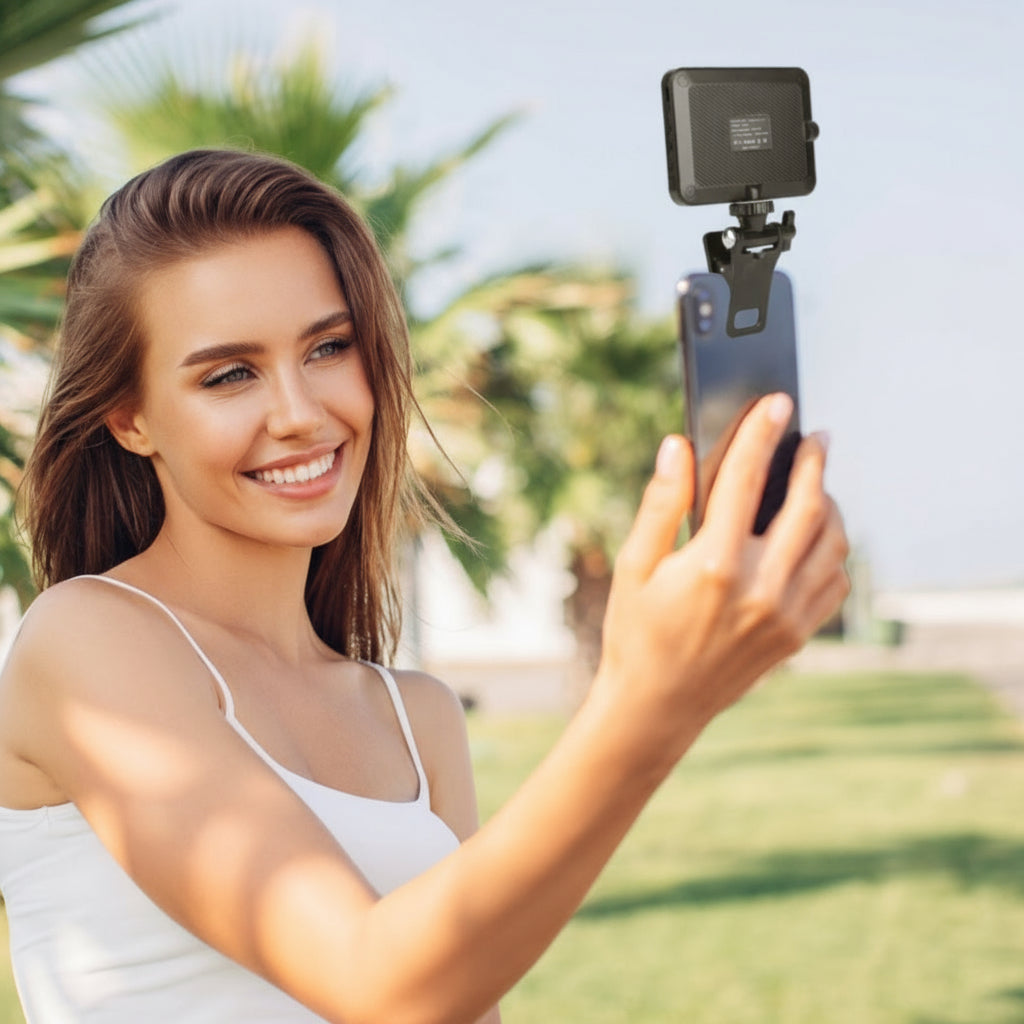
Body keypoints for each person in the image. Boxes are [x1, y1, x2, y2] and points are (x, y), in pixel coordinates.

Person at [0, 148, 849, 1024]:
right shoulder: (87, 642)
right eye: (229, 374)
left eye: (330, 347)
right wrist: (650, 702)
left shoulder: (415, 719)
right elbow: (376, 983)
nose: (299, 412)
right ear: (130, 417)